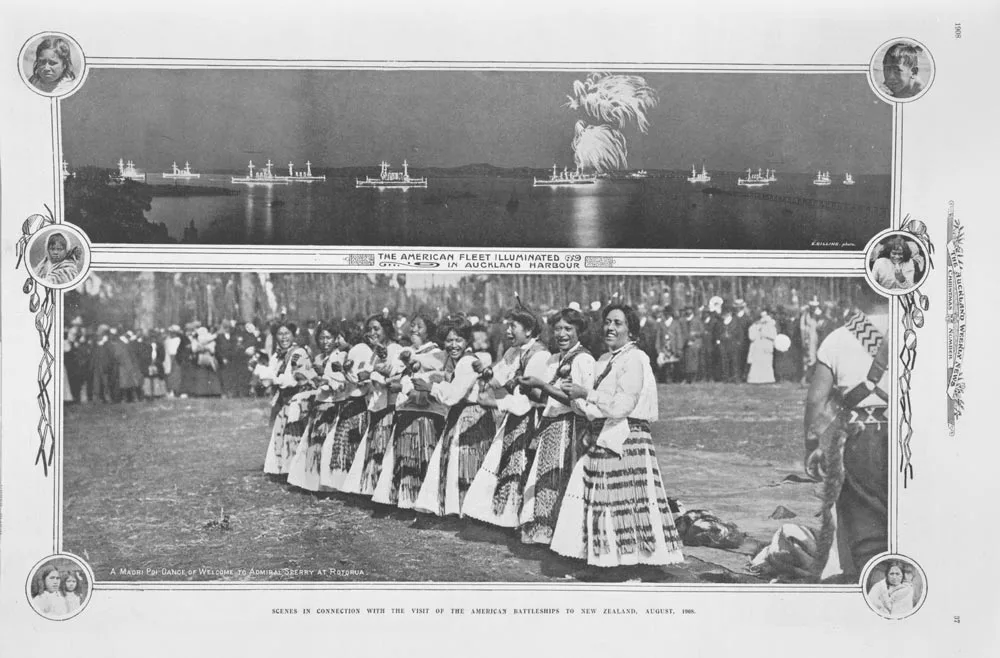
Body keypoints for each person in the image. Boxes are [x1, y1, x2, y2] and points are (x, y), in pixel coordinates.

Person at [551, 304, 684, 571]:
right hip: (605, 434)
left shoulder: (635, 359)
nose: (610, 328)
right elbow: (597, 407)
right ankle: (605, 561)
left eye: (618, 323)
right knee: (602, 498)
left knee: (624, 501)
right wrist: (576, 400)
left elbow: (622, 406)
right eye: (608, 322)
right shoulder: (604, 359)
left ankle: (631, 564)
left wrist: (586, 394)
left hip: (628, 438)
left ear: (631, 330)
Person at [805, 284, 890, 581]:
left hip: (861, 438)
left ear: (858, 290)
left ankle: (874, 589)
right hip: (909, 438)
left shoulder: (838, 339)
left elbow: (817, 399)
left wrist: (813, 445)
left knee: (868, 528)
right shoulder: (915, 332)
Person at [463, 308, 550, 528]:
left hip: (532, 418)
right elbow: (499, 378)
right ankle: (501, 514)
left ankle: (518, 517)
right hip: (514, 415)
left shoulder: (539, 355)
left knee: (521, 465)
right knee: (505, 462)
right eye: (507, 325)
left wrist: (495, 402)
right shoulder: (513, 352)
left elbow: (528, 400)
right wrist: (486, 372)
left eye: (513, 326)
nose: (508, 331)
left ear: (529, 330)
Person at [515, 308, 595, 544]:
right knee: (544, 478)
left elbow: (581, 403)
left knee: (560, 477)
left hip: (570, 426)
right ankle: (542, 528)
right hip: (550, 424)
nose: (562, 334)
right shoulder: (553, 358)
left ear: (578, 331)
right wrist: (528, 386)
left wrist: (544, 386)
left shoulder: (583, 359)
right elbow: (545, 396)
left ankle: (559, 533)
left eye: (568, 329)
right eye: (558, 329)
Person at [415, 319, 496, 516]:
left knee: (465, 462)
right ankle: (460, 509)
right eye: (449, 340)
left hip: (470, 415)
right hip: (461, 414)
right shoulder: (460, 362)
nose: (453, 345)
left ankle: (467, 510)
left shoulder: (467, 362)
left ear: (467, 341)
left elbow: (453, 395)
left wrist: (430, 387)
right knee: (457, 462)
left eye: (458, 340)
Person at [372, 313, 447, 510]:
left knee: (422, 455)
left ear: (429, 331)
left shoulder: (435, 353)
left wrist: (408, 386)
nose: (413, 329)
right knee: (406, 455)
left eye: (419, 326)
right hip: (407, 409)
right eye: (412, 326)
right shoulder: (408, 350)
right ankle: (407, 499)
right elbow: (394, 370)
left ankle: (423, 502)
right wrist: (384, 366)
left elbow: (431, 375)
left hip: (426, 411)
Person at [342, 315, 404, 497]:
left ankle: (388, 494)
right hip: (376, 404)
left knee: (387, 449)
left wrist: (373, 375)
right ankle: (374, 490)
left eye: (377, 329)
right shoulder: (374, 353)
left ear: (386, 329)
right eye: (369, 329)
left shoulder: (397, 349)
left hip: (391, 404)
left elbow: (397, 376)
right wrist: (354, 375)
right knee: (376, 447)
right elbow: (367, 379)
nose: (372, 333)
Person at [285, 321, 344, 492]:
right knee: (314, 443)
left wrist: (326, 381)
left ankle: (329, 485)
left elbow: (341, 383)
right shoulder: (318, 358)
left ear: (335, 339)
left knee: (328, 445)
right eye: (322, 338)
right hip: (320, 402)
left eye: (329, 338)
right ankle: (313, 483)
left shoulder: (340, 356)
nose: (325, 341)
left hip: (334, 402)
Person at [254, 321, 317, 476]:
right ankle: (284, 468)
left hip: (296, 398)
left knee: (294, 433)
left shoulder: (298, 353)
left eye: (286, 334)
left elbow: (294, 379)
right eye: (280, 334)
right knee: (281, 432)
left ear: (293, 335)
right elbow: (272, 372)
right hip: (282, 398)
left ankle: (296, 470)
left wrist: (274, 379)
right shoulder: (276, 355)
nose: (283, 338)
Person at [747, 309, 777, 384]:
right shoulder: (753, 327)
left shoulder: (771, 326)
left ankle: (767, 378)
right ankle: (756, 379)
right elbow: (752, 337)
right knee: (757, 363)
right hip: (758, 348)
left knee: (766, 363)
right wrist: (758, 330)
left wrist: (765, 334)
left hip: (766, 347)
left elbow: (773, 336)